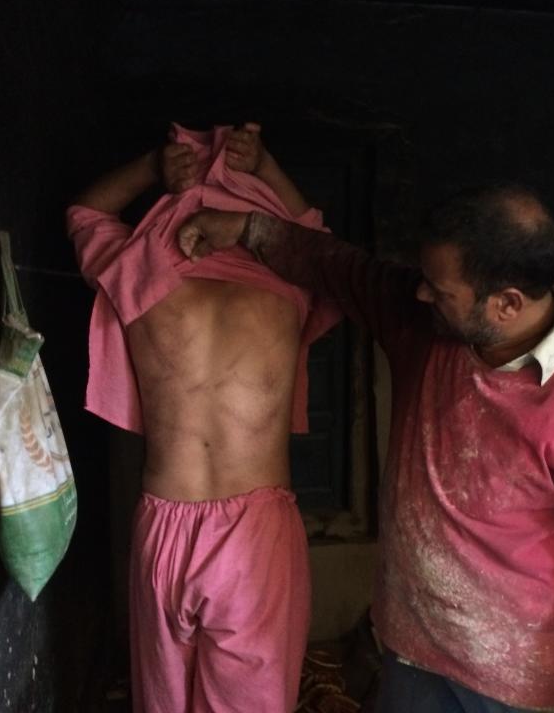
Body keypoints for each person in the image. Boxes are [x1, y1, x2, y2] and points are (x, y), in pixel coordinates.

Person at [175, 184, 554, 713]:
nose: (420, 295)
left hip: (526, 688)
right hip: (413, 658)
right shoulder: (430, 326)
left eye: (440, 290)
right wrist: (248, 229)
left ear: (506, 303)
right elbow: (342, 269)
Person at [67, 122, 340, 713]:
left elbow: (86, 211)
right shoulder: (288, 288)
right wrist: (265, 168)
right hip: (255, 535)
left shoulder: (139, 275)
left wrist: (152, 167)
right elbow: (324, 249)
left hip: (163, 523)